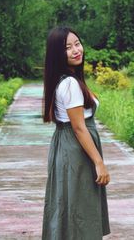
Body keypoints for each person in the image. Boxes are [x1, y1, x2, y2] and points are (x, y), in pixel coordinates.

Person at [42, 26, 111, 240]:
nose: (75, 50)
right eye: (68, 47)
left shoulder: (67, 79)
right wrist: (99, 162)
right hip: (76, 150)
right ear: (57, 54)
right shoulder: (70, 83)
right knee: (80, 207)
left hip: (68, 147)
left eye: (77, 44)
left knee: (69, 204)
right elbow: (80, 127)